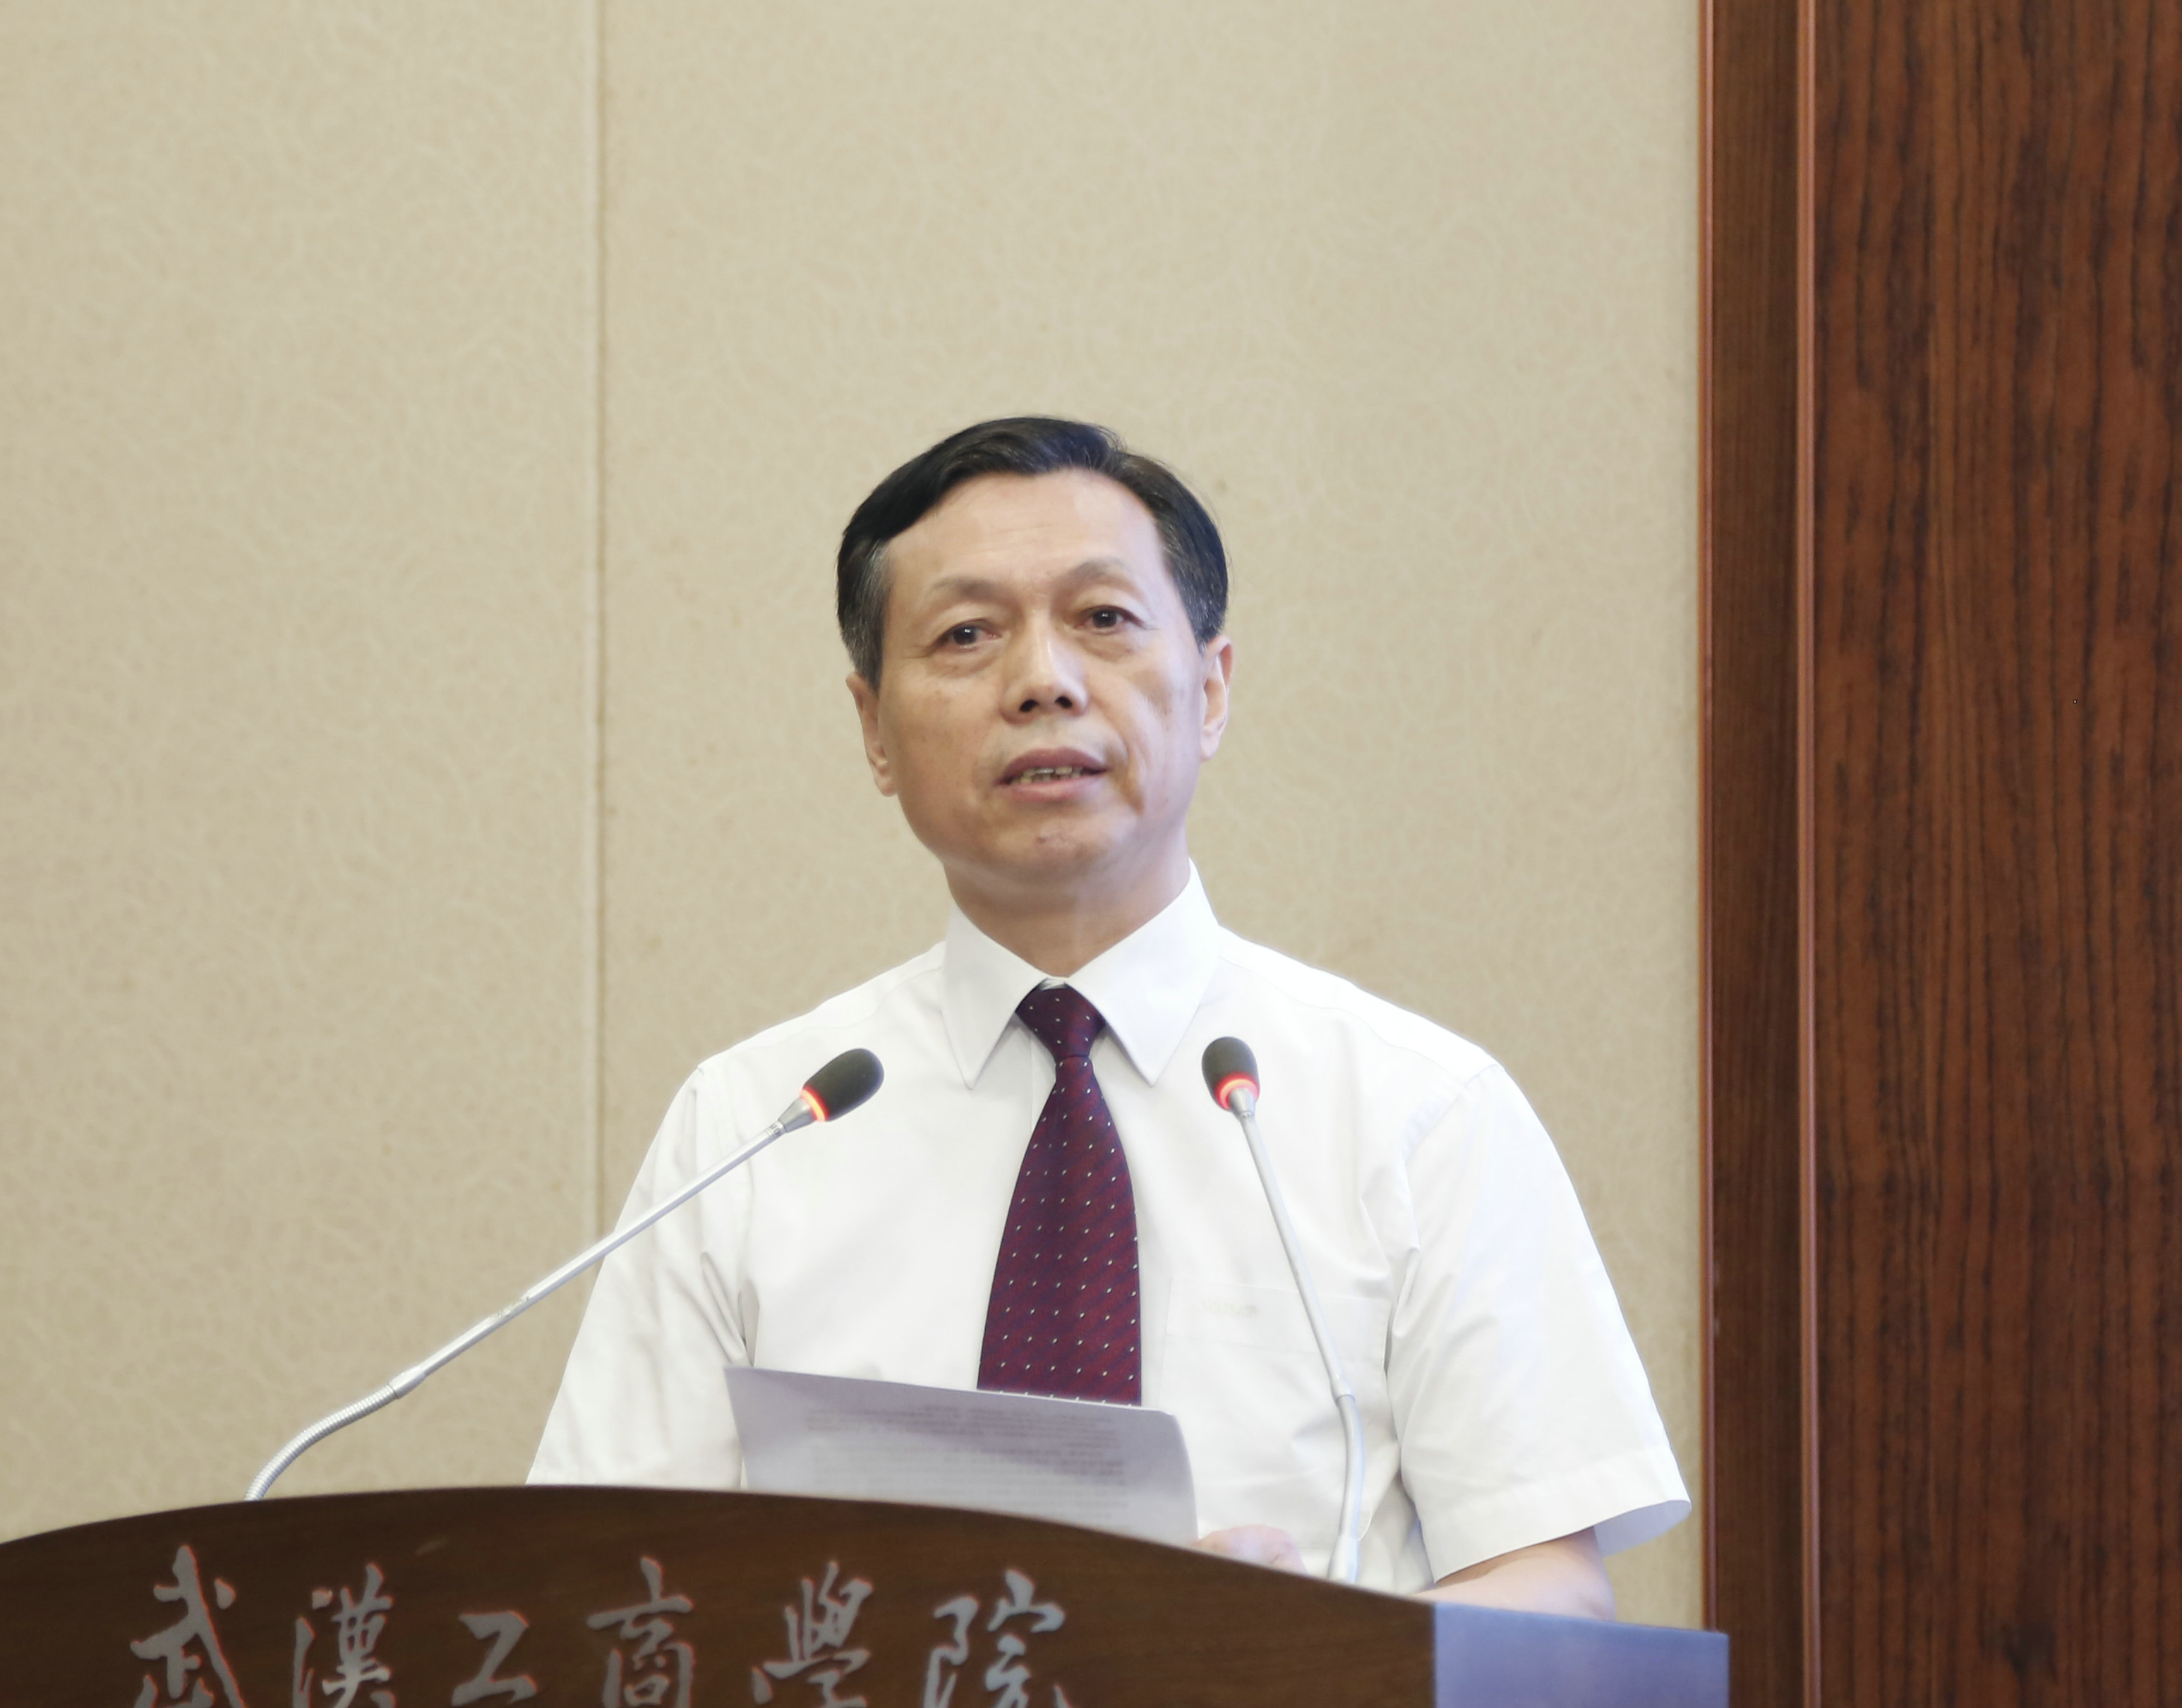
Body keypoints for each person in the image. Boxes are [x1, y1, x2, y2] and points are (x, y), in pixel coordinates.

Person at [529, 417, 1685, 1618]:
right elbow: (608, 1584)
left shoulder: (1418, 1112)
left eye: (1103, 618)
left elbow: (1550, 1587)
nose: (1043, 679)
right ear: (873, 729)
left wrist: (1300, 1654)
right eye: (966, 634)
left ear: (1212, 690)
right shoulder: (757, 1125)